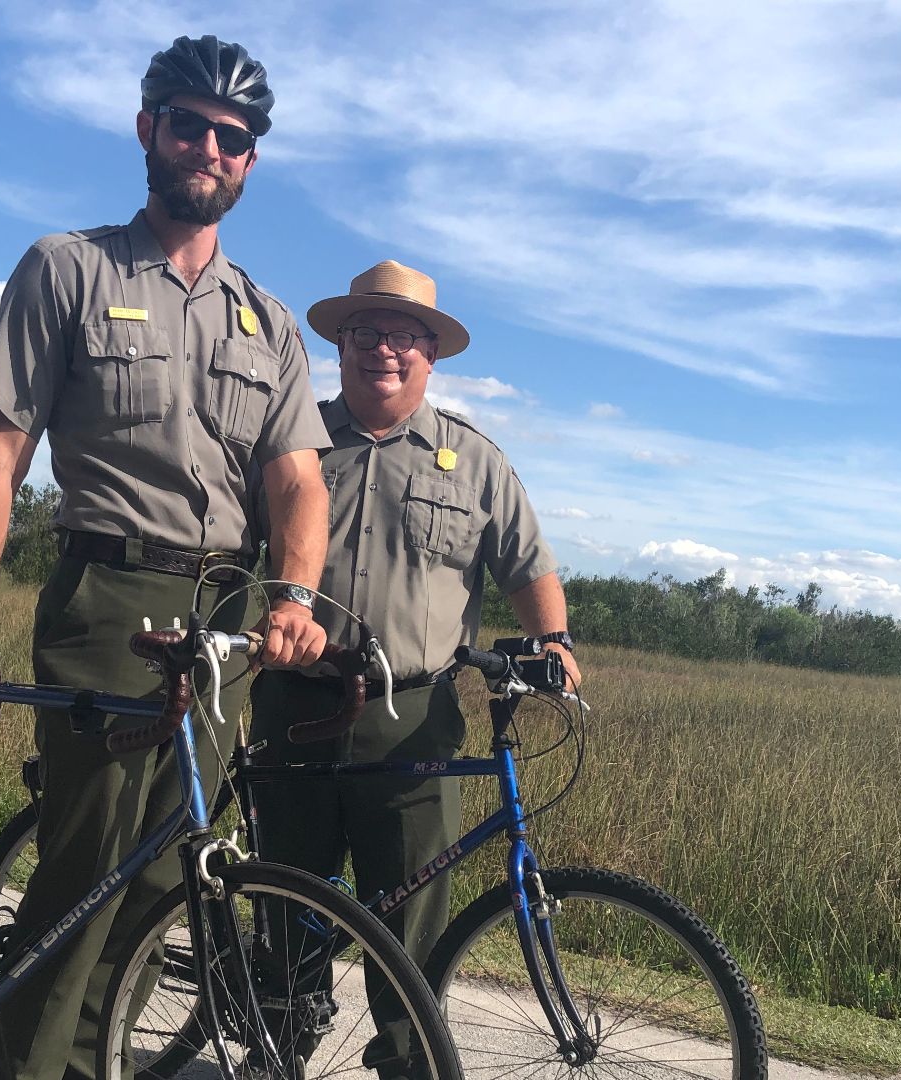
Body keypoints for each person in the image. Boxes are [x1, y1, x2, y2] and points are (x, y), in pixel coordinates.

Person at [0, 34, 331, 1080]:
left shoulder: (269, 322)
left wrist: (294, 595)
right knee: (87, 879)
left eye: (232, 138)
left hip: (226, 618)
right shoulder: (70, 268)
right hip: (110, 599)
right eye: (188, 124)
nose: (209, 147)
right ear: (147, 129)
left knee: (166, 889)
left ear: (251, 163)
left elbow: (297, 484)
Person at [250, 260, 581, 1075]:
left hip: (413, 723)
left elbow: (527, 565)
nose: (383, 350)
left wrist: (556, 643)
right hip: (295, 702)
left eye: (403, 335)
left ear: (431, 355)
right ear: (340, 346)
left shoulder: (472, 461)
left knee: (410, 921)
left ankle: (407, 1060)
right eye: (366, 332)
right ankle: (272, 1050)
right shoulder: (293, 447)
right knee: (287, 899)